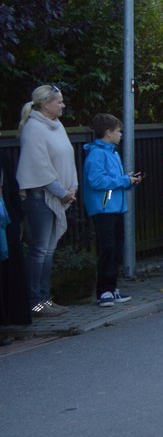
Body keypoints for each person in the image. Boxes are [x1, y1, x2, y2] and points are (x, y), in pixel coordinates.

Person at [16, 84, 78, 318]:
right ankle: (35, 302)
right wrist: (62, 191)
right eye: (59, 101)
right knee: (40, 250)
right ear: (45, 104)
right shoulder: (34, 129)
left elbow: (66, 158)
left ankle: (45, 299)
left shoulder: (57, 126)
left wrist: (72, 187)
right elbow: (39, 166)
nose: (62, 105)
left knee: (49, 250)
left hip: (59, 194)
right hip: (41, 198)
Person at [81, 113, 139, 307]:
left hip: (113, 205)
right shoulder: (98, 154)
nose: (121, 134)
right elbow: (97, 181)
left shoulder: (112, 152)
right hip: (104, 207)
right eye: (118, 131)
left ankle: (111, 287)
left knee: (115, 248)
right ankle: (104, 290)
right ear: (108, 133)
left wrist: (128, 181)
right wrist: (124, 180)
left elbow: (111, 180)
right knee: (107, 249)